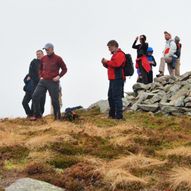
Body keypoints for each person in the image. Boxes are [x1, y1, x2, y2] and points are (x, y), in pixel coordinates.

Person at [31, 43, 67, 120]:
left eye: (47, 49)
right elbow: (40, 69)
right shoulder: (43, 58)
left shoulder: (58, 58)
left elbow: (65, 69)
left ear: (52, 49)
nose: (46, 50)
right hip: (43, 81)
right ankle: (38, 116)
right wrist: (41, 76)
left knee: (55, 101)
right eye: (45, 49)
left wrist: (59, 76)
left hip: (53, 82)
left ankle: (57, 118)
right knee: (34, 96)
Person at [101, 40, 126, 120]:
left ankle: (119, 117)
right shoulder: (115, 55)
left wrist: (107, 61)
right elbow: (112, 66)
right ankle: (112, 115)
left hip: (118, 78)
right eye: (108, 47)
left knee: (117, 97)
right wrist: (105, 63)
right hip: (113, 79)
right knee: (111, 97)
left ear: (115, 46)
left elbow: (117, 64)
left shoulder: (120, 54)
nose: (109, 49)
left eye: (110, 47)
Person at [22, 50, 46, 118]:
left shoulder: (45, 63)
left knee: (37, 102)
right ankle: (29, 114)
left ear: (43, 54)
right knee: (24, 103)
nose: (38, 55)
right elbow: (25, 79)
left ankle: (35, 115)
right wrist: (27, 79)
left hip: (38, 88)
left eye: (39, 54)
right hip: (29, 90)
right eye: (37, 54)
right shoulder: (33, 63)